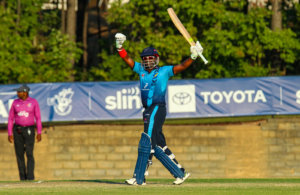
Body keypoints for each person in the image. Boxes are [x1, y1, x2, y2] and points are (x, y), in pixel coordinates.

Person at [115, 33, 203, 185]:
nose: (148, 61)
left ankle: (139, 177)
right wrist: (119, 47)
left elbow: (182, 66)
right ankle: (179, 173)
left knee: (146, 140)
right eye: (145, 58)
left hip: (157, 108)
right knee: (157, 145)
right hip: (148, 109)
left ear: (156, 59)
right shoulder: (140, 70)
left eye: (151, 58)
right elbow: (127, 59)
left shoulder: (164, 71)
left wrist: (193, 56)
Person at [7, 84, 42, 181]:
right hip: (17, 130)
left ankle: (30, 177)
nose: (17, 93)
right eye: (17, 92)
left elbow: (38, 118)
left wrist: (39, 132)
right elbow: (10, 119)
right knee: (19, 154)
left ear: (25, 92)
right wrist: (10, 133)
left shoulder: (33, 102)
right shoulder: (15, 103)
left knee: (29, 153)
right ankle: (22, 178)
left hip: (29, 130)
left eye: (19, 92)